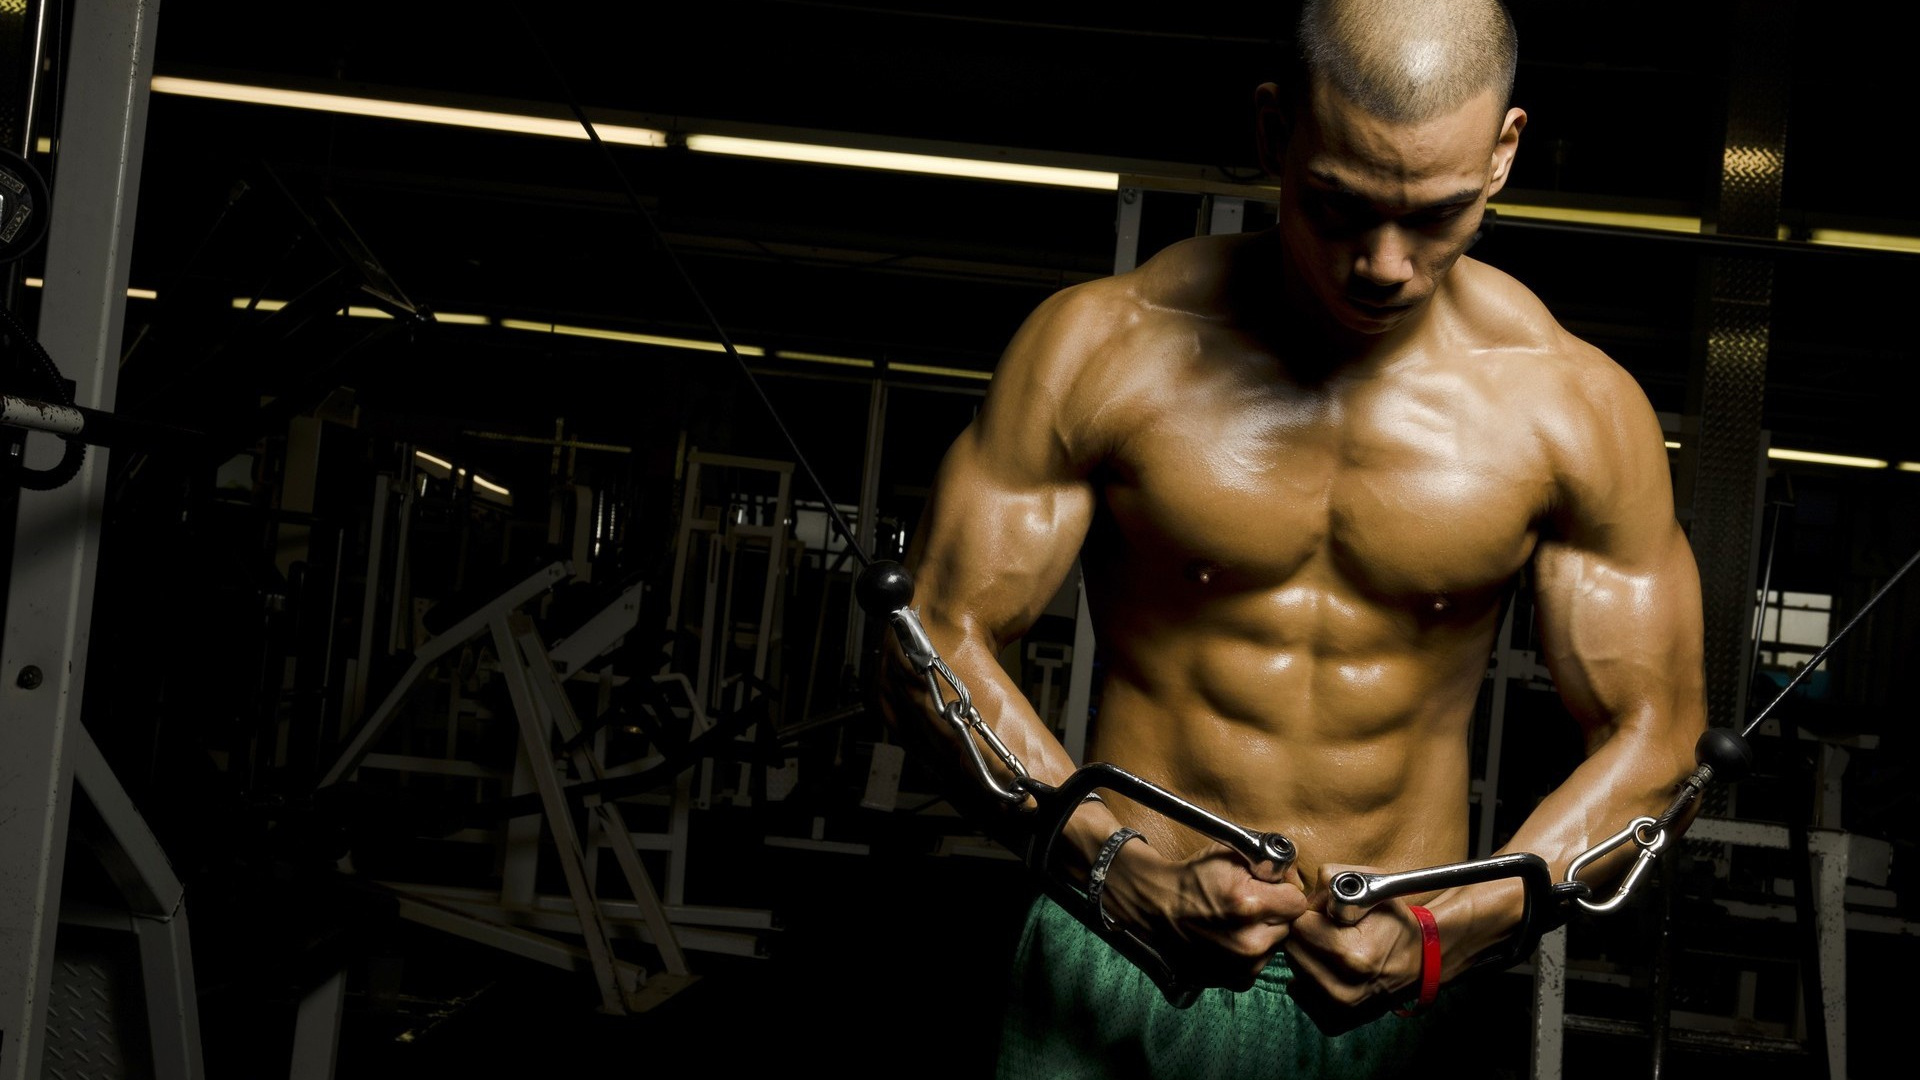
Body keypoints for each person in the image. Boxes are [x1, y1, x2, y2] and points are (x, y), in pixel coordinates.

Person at [880, 0, 1707, 1075]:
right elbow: (928, 644)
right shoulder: (1105, 348)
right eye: (1339, 206)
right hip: (1117, 946)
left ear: (1504, 153)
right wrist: (1112, 864)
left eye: (1438, 215)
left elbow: (1662, 738)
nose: (1385, 264)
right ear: (1275, 135)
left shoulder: (1574, 410)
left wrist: (1460, 923)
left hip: (1390, 994)